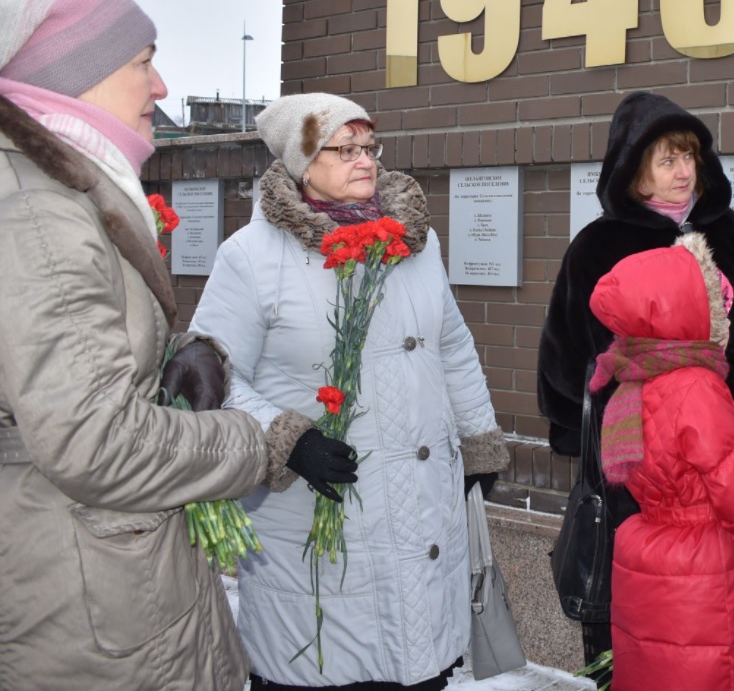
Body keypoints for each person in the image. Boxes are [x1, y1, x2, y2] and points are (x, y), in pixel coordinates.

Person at [0, 0, 351, 691]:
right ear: (79, 74)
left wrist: (175, 358)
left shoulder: (58, 198)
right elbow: (97, 439)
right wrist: (258, 441)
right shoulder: (37, 217)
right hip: (83, 596)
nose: (160, 87)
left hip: (101, 575)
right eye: (142, 63)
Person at [189, 92, 510, 691]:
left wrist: (477, 440)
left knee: (416, 670)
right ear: (303, 163)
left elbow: (452, 347)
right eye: (346, 148)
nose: (366, 160)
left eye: (370, 146)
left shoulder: (414, 244)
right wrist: (287, 440)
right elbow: (215, 375)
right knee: (330, 668)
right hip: (316, 513)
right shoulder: (252, 257)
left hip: (418, 507)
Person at [537, 90, 734, 667]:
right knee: (643, 616)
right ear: (636, 174)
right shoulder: (598, 246)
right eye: (667, 160)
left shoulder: (726, 231)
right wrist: (585, 438)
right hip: (643, 471)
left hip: (729, 450)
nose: (685, 171)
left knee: (727, 600)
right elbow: (562, 355)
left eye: (689, 157)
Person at [588, 234, 734, 691]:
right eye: (719, 306)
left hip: (651, 568)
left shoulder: (630, 383)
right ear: (688, 311)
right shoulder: (696, 389)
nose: (728, 320)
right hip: (705, 584)